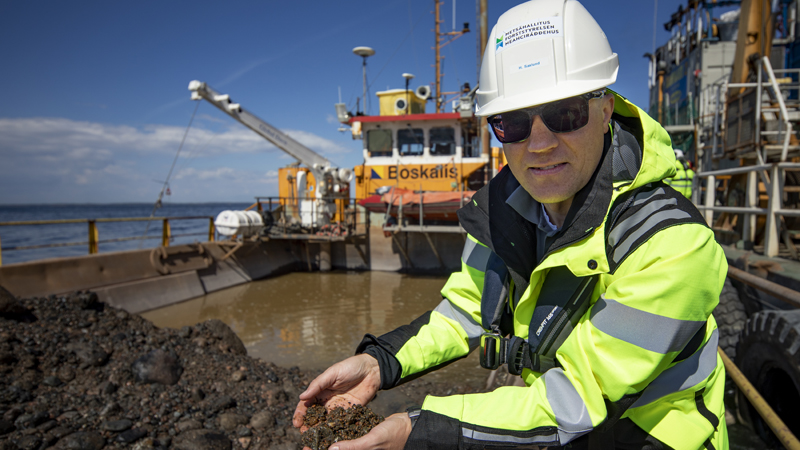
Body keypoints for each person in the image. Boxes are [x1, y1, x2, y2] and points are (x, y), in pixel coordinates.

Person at [293, 0, 728, 448]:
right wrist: (379, 362)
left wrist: (417, 429)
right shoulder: (502, 211)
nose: (539, 143)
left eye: (565, 114)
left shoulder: (671, 246)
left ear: (605, 111)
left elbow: (580, 397)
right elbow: (464, 310)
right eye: (513, 123)